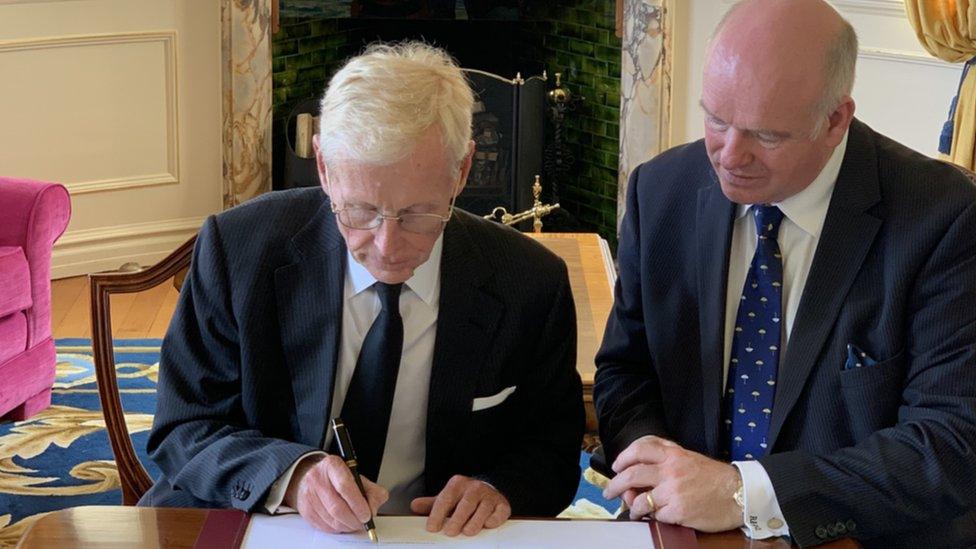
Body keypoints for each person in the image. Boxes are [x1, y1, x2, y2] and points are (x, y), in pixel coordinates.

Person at [139, 41, 584, 538]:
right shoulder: (238, 250)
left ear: (461, 171)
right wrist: (292, 477)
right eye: (361, 211)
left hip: (435, 537)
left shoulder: (530, 281)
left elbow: (554, 451)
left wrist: (498, 487)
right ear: (325, 169)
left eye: (418, 213)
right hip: (257, 520)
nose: (388, 245)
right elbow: (184, 430)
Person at [593, 0, 976, 547]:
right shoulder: (661, 191)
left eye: (766, 135)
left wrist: (741, 493)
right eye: (716, 120)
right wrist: (658, 477)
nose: (729, 155)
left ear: (835, 120)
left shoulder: (942, 216)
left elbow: (950, 443)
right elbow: (626, 372)